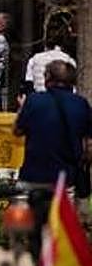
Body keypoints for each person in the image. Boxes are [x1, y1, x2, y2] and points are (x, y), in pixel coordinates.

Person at [15, 60, 92, 199]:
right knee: (62, 213)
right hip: (65, 180)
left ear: (48, 77)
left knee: (24, 211)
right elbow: (89, 146)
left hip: (32, 177)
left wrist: (22, 107)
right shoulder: (81, 104)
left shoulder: (33, 100)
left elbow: (17, 131)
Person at [23, 25, 76, 95]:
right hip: (64, 98)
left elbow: (28, 83)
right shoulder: (69, 60)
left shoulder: (34, 59)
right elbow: (73, 88)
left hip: (39, 97)